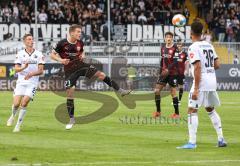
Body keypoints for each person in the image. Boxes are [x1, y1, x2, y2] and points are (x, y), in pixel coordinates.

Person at [50, 24, 131, 130]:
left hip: (81, 66)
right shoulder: (62, 43)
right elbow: (52, 55)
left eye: (80, 31)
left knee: (101, 75)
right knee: (70, 92)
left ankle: (121, 91)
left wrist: (83, 55)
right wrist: (61, 60)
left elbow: (82, 51)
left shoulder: (80, 43)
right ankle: (71, 119)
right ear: (72, 33)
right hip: (69, 71)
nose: (80, 33)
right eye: (78, 32)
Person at [177, 21, 227, 149]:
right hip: (212, 80)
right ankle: (221, 139)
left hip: (202, 82)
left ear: (191, 33)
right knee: (210, 109)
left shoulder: (193, 47)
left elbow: (198, 67)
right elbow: (217, 65)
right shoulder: (209, 45)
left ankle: (192, 143)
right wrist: (208, 70)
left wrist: (196, 89)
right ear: (202, 32)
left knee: (192, 110)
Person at [6, 33, 45, 132]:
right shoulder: (20, 54)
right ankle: (12, 116)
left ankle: (18, 125)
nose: (31, 41)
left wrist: (31, 74)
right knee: (16, 104)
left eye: (32, 39)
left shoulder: (39, 54)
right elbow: (16, 69)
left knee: (24, 103)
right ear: (24, 42)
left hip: (32, 83)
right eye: (29, 39)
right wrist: (24, 67)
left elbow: (41, 70)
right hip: (21, 82)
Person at [153, 32, 180, 119]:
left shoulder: (175, 48)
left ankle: (176, 114)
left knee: (173, 92)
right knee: (157, 90)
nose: (168, 38)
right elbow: (162, 60)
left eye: (170, 37)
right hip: (164, 73)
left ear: (172, 38)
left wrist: (168, 69)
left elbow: (176, 61)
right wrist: (160, 71)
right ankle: (158, 112)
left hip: (173, 73)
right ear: (165, 38)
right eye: (167, 37)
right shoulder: (163, 48)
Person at [176, 39, 188, 104]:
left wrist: (186, 70)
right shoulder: (174, 53)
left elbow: (187, 62)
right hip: (174, 73)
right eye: (178, 45)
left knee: (181, 86)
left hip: (181, 73)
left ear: (182, 46)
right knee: (173, 86)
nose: (179, 47)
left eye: (180, 45)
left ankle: (179, 101)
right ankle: (175, 100)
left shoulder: (185, 54)